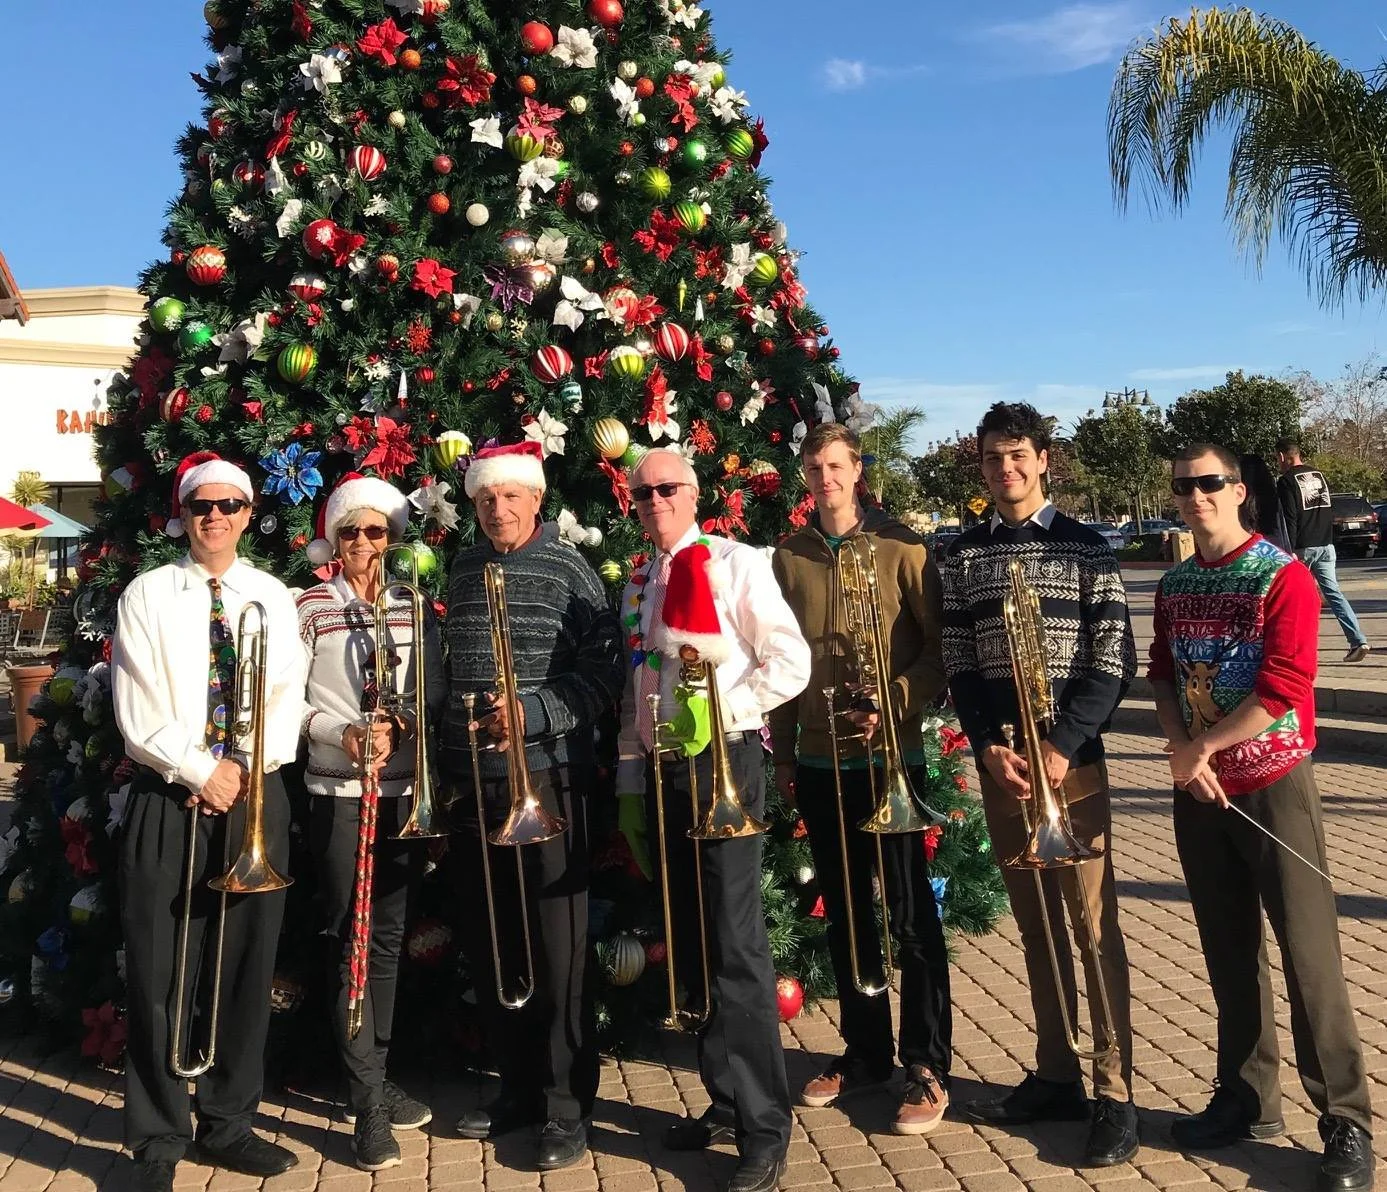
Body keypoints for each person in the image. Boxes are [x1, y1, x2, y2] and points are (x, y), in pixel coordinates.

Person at [1151, 442, 1375, 1192]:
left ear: (1238, 490)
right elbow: (1161, 674)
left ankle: (1344, 1119)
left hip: (1273, 783)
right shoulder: (1176, 581)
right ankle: (1247, 1097)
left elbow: (1284, 683)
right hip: (1200, 789)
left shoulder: (1281, 574)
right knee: (1227, 950)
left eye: (1209, 482)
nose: (1195, 495)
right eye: (1183, 486)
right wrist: (1184, 751)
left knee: (1308, 956)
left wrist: (1204, 746)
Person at [940, 403, 1140, 1167]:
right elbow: (960, 662)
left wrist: (1062, 744)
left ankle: (1114, 1090)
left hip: (1071, 765)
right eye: (993, 457)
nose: (1006, 469)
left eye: (1018, 454)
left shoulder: (1087, 548)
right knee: (1035, 928)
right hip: (1006, 770)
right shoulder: (961, 555)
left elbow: (1112, 660)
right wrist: (988, 746)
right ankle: (1057, 1071)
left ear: (1043, 459)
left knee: (1092, 930)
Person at [615, 447, 810, 1192]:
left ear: (694, 494)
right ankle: (725, 1101)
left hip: (723, 759)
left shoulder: (735, 563)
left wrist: (721, 708)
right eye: (642, 492)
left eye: (667, 488)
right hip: (664, 767)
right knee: (693, 940)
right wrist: (630, 783)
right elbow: (636, 689)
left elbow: (789, 661)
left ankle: (765, 1128)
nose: (655, 500)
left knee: (735, 943)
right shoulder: (641, 580)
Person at [112, 452, 307, 1192]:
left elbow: (284, 694)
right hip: (173, 794)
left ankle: (229, 1123)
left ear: (249, 515)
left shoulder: (271, 595)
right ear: (183, 514)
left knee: (246, 966)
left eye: (230, 505)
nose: (216, 517)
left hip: (254, 791)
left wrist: (245, 768)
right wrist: (201, 769)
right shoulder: (148, 594)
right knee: (159, 971)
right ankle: (158, 1136)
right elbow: (136, 708)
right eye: (202, 506)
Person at [438, 442, 624, 1172]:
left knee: (556, 948)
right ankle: (515, 1086)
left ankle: (565, 1105)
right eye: (486, 499)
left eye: (510, 497)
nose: (497, 509)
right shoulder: (463, 568)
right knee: (493, 941)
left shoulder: (570, 569)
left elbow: (604, 672)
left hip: (547, 779)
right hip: (475, 784)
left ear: (536, 500)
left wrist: (533, 713)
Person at [768, 423, 953, 1134]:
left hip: (889, 757)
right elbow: (784, 664)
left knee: (909, 916)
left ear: (857, 470)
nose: (826, 477)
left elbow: (938, 652)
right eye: (814, 466)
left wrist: (894, 700)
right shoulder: (790, 555)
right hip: (820, 759)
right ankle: (866, 1051)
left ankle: (927, 1063)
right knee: (846, 914)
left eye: (836, 465)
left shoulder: (903, 546)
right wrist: (784, 753)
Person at [296, 474, 445, 1172]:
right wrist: (343, 732)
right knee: (350, 939)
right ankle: (366, 1102)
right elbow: (287, 702)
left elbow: (431, 690)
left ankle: (375, 1078)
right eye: (349, 531)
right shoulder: (308, 607)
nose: (362, 542)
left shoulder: (413, 607)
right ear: (333, 539)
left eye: (375, 530)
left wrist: (401, 724)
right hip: (338, 789)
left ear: (392, 538)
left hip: (401, 790)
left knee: (385, 938)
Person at [1275, 436, 1371, 662]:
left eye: (1276, 459)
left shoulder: (1286, 481)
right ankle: (1357, 640)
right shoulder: (1319, 476)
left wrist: (1289, 548)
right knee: (1334, 594)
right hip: (1326, 545)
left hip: (1302, 548)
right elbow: (1327, 509)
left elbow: (1290, 517)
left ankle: (1295, 650)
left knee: (1295, 598)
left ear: (1282, 456)